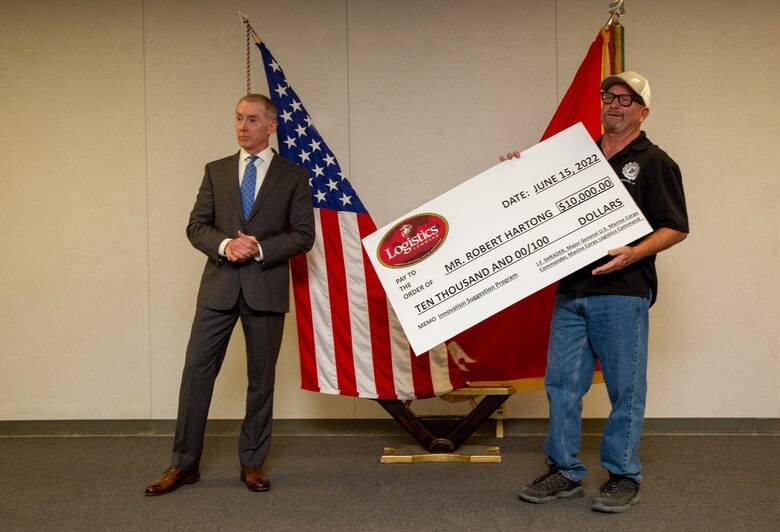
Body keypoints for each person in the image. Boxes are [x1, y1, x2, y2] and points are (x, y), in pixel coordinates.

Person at [505, 71, 689, 513]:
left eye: (627, 100)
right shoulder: (578, 158)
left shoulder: (655, 161)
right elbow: (539, 204)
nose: (615, 105)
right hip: (571, 289)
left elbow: (676, 227)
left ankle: (623, 475)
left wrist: (634, 253)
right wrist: (517, 172)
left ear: (643, 112)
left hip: (623, 292)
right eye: (609, 96)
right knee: (563, 385)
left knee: (625, 388)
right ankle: (564, 471)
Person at [145, 94, 315, 496]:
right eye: (238, 118)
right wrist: (226, 246)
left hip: (265, 288)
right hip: (218, 288)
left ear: (271, 126)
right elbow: (196, 226)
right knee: (196, 374)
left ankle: (252, 463)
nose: (243, 126)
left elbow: (304, 236)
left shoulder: (293, 176)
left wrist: (259, 248)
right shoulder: (216, 171)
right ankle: (183, 465)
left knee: (261, 380)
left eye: (252, 119)